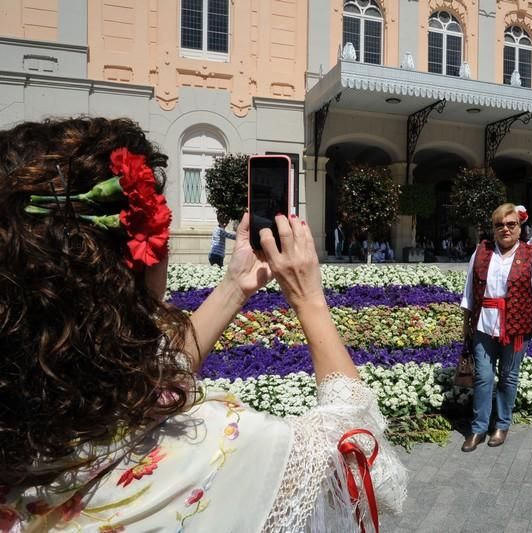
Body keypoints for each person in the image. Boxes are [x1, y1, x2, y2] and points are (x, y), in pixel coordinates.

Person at [0, 117, 406, 531]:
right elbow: (363, 466)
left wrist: (235, 286)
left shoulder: (34, 415)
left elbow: (146, 393)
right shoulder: (211, 453)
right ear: (141, 253)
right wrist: (309, 298)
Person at [460, 203, 532, 452]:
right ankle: (478, 428)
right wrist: (466, 320)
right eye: (499, 225)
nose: (505, 229)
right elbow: (470, 288)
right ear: (493, 228)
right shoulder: (481, 251)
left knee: (509, 378)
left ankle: (501, 425)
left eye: (511, 224)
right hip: (484, 323)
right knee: (483, 376)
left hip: (517, 326)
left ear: (520, 228)